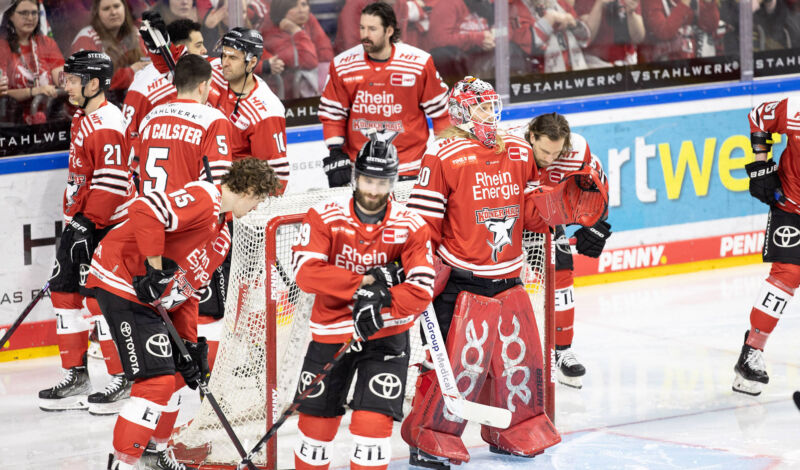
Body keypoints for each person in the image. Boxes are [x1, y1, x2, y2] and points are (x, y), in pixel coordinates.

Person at [403, 76, 560, 469]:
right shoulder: (442, 153)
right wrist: (422, 272)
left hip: (508, 278)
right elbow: (423, 224)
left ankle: (513, 428)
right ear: (461, 112)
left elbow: (531, 214)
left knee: (514, 361)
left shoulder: (519, 150)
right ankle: (428, 435)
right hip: (460, 282)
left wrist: (562, 208)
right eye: (480, 107)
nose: (489, 114)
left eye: (491, 106)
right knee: (453, 365)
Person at [91, 158, 281, 470]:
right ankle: (122, 464)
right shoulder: (204, 197)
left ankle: (155, 454)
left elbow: (187, 292)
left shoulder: (222, 237)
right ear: (248, 191)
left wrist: (189, 344)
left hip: (151, 300)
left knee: (178, 376)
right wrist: (155, 269)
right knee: (156, 383)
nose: (257, 207)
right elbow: (144, 210)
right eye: (259, 199)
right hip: (121, 281)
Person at [290, 131, 434, 470]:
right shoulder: (324, 215)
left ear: (393, 182)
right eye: (368, 180)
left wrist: (383, 299)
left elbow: (422, 288)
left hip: (386, 336)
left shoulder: (411, 225)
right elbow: (306, 273)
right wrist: (364, 285)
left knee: (372, 433)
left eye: (382, 183)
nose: (373, 190)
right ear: (356, 177)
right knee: (314, 433)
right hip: (331, 332)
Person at [38, 51, 135, 415]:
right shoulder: (83, 116)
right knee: (64, 294)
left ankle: (123, 377)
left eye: (74, 80)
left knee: (99, 302)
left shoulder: (107, 122)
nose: (67, 86)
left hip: (106, 227)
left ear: (94, 83)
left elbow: (112, 182)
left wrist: (88, 222)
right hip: (82, 223)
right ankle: (77, 375)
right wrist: (76, 221)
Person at [319, 2, 450, 187]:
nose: (365, 35)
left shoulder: (418, 63)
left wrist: (445, 155)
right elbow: (332, 114)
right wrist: (335, 151)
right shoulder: (342, 65)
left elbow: (442, 113)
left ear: (389, 31)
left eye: (372, 29)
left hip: (410, 169)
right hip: (361, 171)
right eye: (362, 28)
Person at [524, 112, 611, 389]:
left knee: (562, 272)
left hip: (543, 217)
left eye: (556, 152)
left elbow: (596, 185)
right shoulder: (511, 147)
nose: (550, 159)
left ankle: (562, 351)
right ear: (532, 137)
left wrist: (596, 223)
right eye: (544, 152)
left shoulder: (576, 151)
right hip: (505, 216)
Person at [731, 97, 800, 396]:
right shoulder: (796, 108)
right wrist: (761, 161)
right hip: (792, 205)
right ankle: (752, 352)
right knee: (788, 274)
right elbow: (759, 116)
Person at [207, 27, 290, 192]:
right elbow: (175, 64)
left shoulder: (266, 112)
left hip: (232, 193)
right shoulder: (214, 70)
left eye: (233, 57)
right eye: (223, 55)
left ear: (252, 62)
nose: (224, 63)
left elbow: (275, 180)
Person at [121, 16, 206, 151]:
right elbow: (129, 139)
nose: (204, 50)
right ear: (177, 49)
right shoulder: (147, 88)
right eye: (198, 45)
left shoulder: (195, 75)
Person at [71, 0, 148, 105]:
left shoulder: (135, 33)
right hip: (96, 107)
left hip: (133, 102)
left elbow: (148, 65)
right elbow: (90, 83)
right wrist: (131, 72)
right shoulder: (86, 38)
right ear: (97, 13)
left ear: (124, 8)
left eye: (116, 6)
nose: (113, 12)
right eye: (106, 9)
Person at [0, 0, 65, 124]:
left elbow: (62, 80)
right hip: (14, 125)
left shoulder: (47, 43)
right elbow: (2, 93)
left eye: (34, 13)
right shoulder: (2, 47)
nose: (30, 18)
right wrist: (34, 91)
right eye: (24, 13)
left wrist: (71, 80)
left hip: (49, 122)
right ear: (11, 16)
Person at [261, 0, 334, 99]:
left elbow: (326, 53)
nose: (301, 10)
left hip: (307, 94)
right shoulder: (271, 30)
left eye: (304, 4)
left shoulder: (308, 19)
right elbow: (308, 61)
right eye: (293, 6)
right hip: (286, 99)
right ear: (282, 9)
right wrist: (296, 31)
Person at [423, 0, 496, 81]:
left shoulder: (485, 5)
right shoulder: (448, 4)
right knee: (443, 55)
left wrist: (492, 39)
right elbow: (439, 40)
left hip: (481, 63)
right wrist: (475, 39)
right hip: (454, 65)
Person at [638, 0, 720, 62]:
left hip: (696, 61)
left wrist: (709, 4)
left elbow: (710, 27)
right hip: (664, 65)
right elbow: (663, 31)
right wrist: (684, 3)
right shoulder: (651, 1)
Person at [574, 0, 645, 67]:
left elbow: (638, 38)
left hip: (627, 61)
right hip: (596, 63)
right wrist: (599, 4)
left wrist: (631, 13)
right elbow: (585, 38)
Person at [334, 0, 409, 53]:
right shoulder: (356, 4)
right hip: (354, 57)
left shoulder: (402, 4)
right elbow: (351, 45)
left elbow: (399, 39)